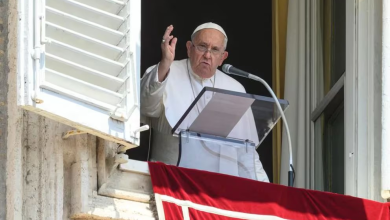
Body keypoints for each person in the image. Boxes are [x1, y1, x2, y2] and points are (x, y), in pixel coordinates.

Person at [140, 22, 269, 182]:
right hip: (170, 180)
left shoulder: (235, 89)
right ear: (189, 48)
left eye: (215, 50)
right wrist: (165, 63)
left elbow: (246, 150)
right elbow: (146, 107)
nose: (208, 55)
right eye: (202, 46)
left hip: (218, 187)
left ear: (223, 57)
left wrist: (264, 187)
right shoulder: (166, 72)